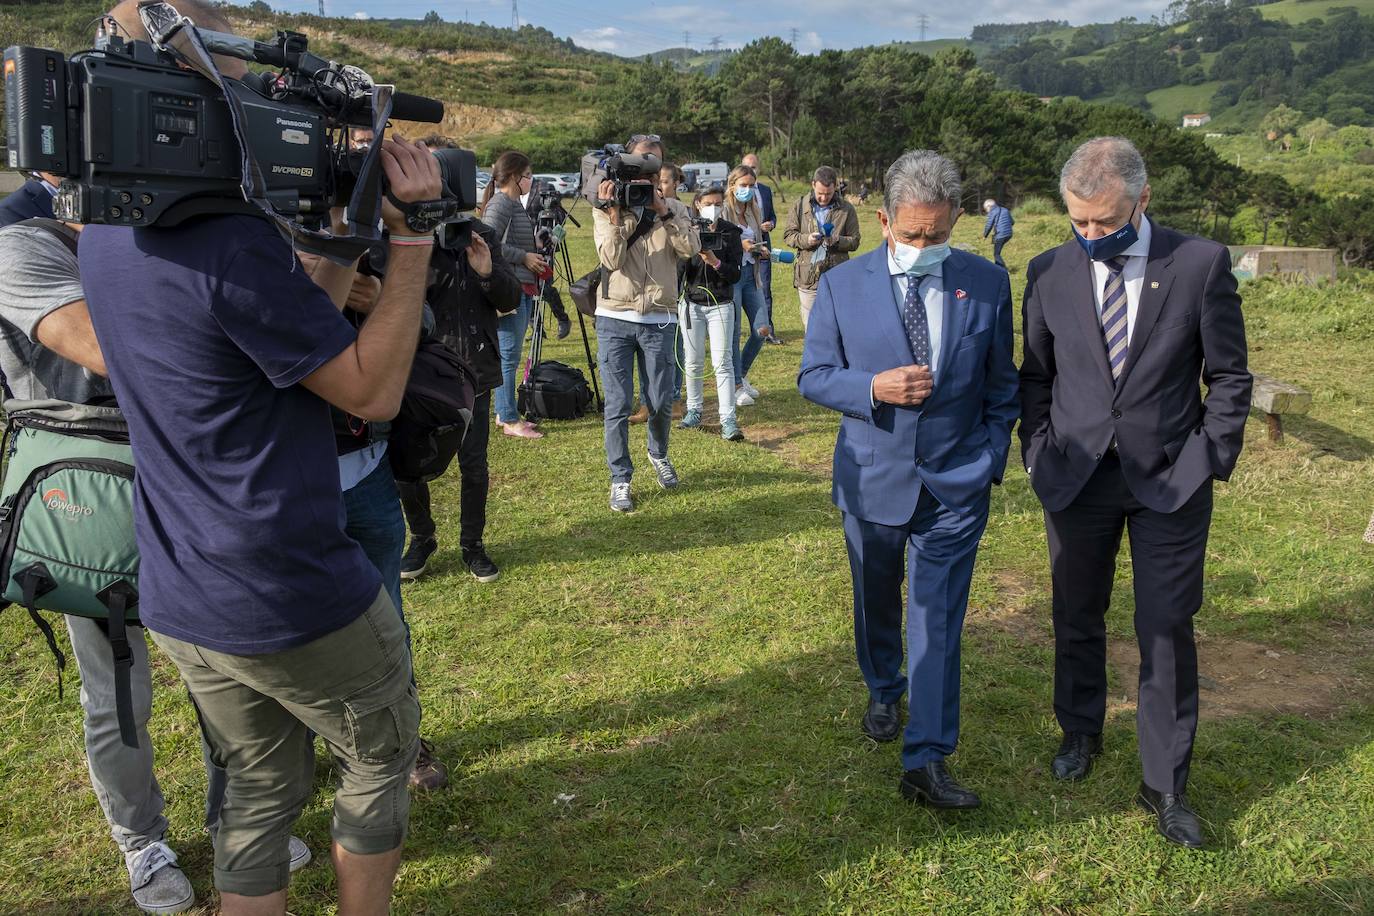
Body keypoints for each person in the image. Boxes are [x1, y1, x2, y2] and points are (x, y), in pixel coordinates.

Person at [80, 120, 438, 915]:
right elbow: (371, 390)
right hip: (286, 588)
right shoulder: (232, 246)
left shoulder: (107, 234)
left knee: (259, 781)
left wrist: (340, 232)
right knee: (379, 753)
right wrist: (410, 244)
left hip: (182, 585)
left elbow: (271, 332)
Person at [1020, 136, 1252, 849]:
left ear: (1143, 200)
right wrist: (1035, 452)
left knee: (1165, 630)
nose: (1091, 237)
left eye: (1106, 223)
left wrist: (1209, 456)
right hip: (1076, 475)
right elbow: (1036, 375)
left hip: (1170, 480)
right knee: (1077, 614)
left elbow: (1230, 377)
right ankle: (1080, 732)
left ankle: (1166, 785)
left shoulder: (1199, 264)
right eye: (1078, 222)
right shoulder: (1048, 270)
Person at [798, 150, 1018, 810]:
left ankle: (926, 756)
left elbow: (1003, 385)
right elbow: (812, 377)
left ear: (955, 221)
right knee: (877, 602)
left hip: (956, 483)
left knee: (938, 619)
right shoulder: (843, 285)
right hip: (871, 480)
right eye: (912, 234)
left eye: (939, 235)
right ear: (884, 219)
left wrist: (990, 458)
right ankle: (884, 686)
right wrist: (871, 386)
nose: (924, 247)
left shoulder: (985, 283)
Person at [0, 202, 199, 914]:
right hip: (88, 509)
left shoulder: (174, 239)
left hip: (186, 488)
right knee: (119, 691)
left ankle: (233, 808)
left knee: (225, 669)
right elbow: (106, 349)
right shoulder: (22, 248)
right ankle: (141, 840)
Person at [398, 216, 522, 583]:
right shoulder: (406, 233)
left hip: (474, 371)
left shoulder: (481, 234)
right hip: (421, 369)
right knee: (408, 463)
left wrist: (485, 271)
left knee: (474, 463)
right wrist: (420, 246)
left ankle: (473, 544)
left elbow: (510, 297)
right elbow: (398, 299)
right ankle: (422, 537)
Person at [591, 132, 700, 513]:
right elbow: (610, 259)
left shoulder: (676, 208)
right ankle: (620, 478)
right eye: (640, 163)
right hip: (614, 317)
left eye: (654, 165)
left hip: (659, 316)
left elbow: (691, 250)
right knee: (618, 404)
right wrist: (615, 215)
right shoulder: (605, 205)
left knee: (658, 400)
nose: (647, 172)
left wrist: (665, 212)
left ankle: (659, 454)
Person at [481, 150, 547, 440]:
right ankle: (509, 418)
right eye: (528, 175)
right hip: (511, 288)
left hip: (521, 284)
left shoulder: (511, 204)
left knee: (510, 354)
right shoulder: (501, 204)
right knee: (508, 356)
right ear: (515, 176)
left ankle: (503, 411)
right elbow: (487, 242)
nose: (531, 180)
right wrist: (524, 257)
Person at [678, 183, 745, 441]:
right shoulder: (689, 231)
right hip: (692, 303)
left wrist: (715, 261)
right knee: (693, 361)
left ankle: (728, 419)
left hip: (721, 305)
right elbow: (680, 267)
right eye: (708, 204)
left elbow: (735, 274)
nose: (713, 208)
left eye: (717, 203)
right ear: (697, 204)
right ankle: (694, 410)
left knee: (722, 363)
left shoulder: (731, 233)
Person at [783, 165, 861, 333]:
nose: (824, 198)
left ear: (836, 187)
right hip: (808, 278)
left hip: (837, 276)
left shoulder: (847, 209)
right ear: (813, 184)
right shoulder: (800, 206)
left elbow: (855, 241)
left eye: (828, 193)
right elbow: (789, 235)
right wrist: (806, 239)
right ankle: (815, 360)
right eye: (820, 193)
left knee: (837, 327)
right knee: (812, 329)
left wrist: (836, 240)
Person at [723, 165, 771, 408]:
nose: (748, 190)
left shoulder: (754, 210)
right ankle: (735, 386)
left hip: (752, 276)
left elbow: (758, 239)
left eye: (751, 185)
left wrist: (761, 250)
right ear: (732, 186)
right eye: (743, 185)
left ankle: (739, 374)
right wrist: (740, 245)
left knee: (762, 329)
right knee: (733, 333)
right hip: (733, 277)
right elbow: (720, 243)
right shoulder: (723, 211)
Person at [740, 153, 780, 345]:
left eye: (754, 167)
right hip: (740, 253)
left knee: (764, 286)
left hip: (763, 245)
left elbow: (772, 216)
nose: (751, 170)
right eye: (748, 167)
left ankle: (767, 329)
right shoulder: (733, 194)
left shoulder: (765, 190)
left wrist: (770, 224)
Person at [982, 197, 1014, 269]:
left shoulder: (993, 212)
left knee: (996, 254)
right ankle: (998, 268)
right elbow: (1012, 222)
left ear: (989, 206)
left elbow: (989, 225)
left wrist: (985, 236)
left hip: (1000, 235)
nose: (987, 211)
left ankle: (1002, 269)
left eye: (986, 209)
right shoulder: (1005, 210)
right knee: (997, 252)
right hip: (1009, 234)